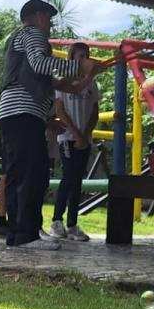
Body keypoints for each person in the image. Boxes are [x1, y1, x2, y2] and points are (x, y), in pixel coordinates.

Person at [0, 0, 100, 250]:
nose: (50, 24)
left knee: (25, 173)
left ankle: (20, 234)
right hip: (22, 111)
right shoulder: (32, 33)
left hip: (17, 113)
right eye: (49, 18)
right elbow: (41, 64)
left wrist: (88, 75)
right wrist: (79, 66)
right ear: (39, 15)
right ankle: (26, 235)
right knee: (32, 174)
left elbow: (59, 84)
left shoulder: (21, 39)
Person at [51, 42, 100, 242]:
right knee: (69, 177)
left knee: (78, 180)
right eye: (80, 56)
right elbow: (60, 111)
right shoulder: (64, 82)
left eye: (87, 55)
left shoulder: (92, 84)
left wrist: (85, 135)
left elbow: (95, 112)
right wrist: (76, 134)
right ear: (71, 58)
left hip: (84, 140)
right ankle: (57, 221)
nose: (85, 59)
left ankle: (72, 224)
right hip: (67, 138)